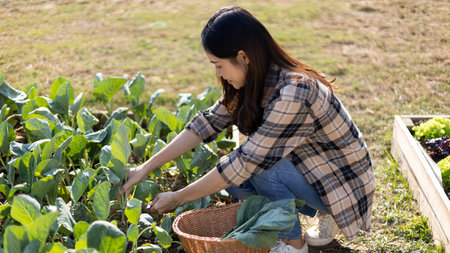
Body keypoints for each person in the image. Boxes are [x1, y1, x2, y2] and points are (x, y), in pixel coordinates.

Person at [120, 6, 375, 253]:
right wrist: (144, 168)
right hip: (314, 168)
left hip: (345, 184)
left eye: (219, 64)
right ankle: (313, 213)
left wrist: (178, 197)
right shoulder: (256, 80)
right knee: (237, 179)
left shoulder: (295, 91)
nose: (218, 73)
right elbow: (205, 123)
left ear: (243, 57)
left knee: (261, 170)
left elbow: (247, 162)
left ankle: (294, 244)